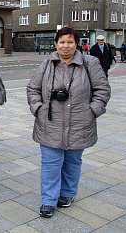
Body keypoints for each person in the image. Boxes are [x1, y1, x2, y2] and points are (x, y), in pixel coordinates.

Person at [27, 27, 111, 218]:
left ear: (76, 44)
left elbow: (102, 90)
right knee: (50, 163)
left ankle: (67, 193)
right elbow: (33, 88)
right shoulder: (47, 64)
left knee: (73, 162)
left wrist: (92, 111)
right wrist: (38, 109)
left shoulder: (90, 63)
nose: (66, 46)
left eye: (70, 42)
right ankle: (48, 200)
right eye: (62, 42)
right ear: (56, 44)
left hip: (79, 123)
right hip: (50, 123)